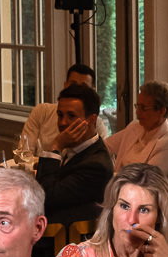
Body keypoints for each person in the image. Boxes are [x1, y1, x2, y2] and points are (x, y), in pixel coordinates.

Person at [34, 82, 114, 228]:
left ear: (91, 120)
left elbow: (45, 198)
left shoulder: (96, 165)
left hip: (60, 240)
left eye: (71, 116)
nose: (63, 123)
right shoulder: (77, 146)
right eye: (60, 115)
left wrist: (56, 146)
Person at [105, 81, 168, 176]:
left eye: (143, 108)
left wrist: (109, 176)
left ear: (162, 111)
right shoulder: (135, 127)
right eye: (137, 106)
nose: (137, 112)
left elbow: (146, 179)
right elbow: (105, 146)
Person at [20, 62, 94, 154]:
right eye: (60, 115)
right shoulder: (42, 111)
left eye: (71, 115)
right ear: (65, 85)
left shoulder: (93, 121)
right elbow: (23, 153)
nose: (77, 90)